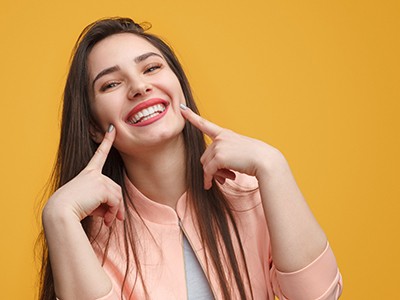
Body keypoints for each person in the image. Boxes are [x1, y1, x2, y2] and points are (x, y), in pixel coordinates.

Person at [38, 17, 343, 300]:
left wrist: (273, 165)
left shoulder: (252, 192)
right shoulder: (89, 235)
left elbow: (319, 296)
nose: (140, 87)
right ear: (93, 126)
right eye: (111, 84)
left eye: (152, 68)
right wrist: (58, 216)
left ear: (179, 87)